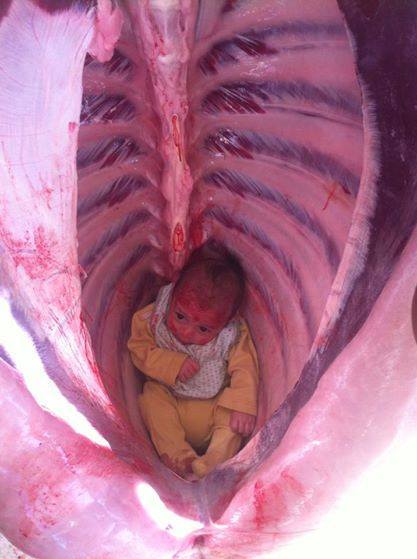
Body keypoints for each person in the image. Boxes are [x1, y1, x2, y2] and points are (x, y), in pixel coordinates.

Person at [127, 247, 259, 479]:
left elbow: (245, 367)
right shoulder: (154, 317)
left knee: (232, 419)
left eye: (204, 329)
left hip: (212, 405)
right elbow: (138, 348)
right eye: (180, 316)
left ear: (228, 320)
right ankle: (179, 458)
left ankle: (213, 465)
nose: (187, 333)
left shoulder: (232, 334)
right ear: (173, 292)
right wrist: (172, 364)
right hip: (170, 396)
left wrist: (243, 404)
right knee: (151, 398)